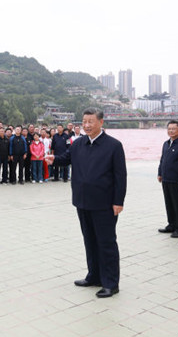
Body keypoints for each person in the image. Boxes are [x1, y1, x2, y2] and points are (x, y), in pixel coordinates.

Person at [47, 107, 126, 298]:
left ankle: (110, 283)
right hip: (82, 202)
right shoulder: (78, 143)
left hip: (104, 204)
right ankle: (94, 276)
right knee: (89, 241)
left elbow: (120, 176)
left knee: (106, 243)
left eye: (91, 121)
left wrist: (118, 201)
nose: (87, 125)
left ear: (101, 122)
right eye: (84, 121)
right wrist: (54, 159)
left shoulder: (114, 145)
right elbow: (66, 159)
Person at [157, 121, 178, 238]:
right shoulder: (166, 143)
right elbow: (162, 160)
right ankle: (171, 225)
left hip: (177, 180)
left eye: (173, 129)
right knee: (169, 203)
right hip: (166, 179)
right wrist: (160, 173)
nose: (171, 131)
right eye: (169, 129)